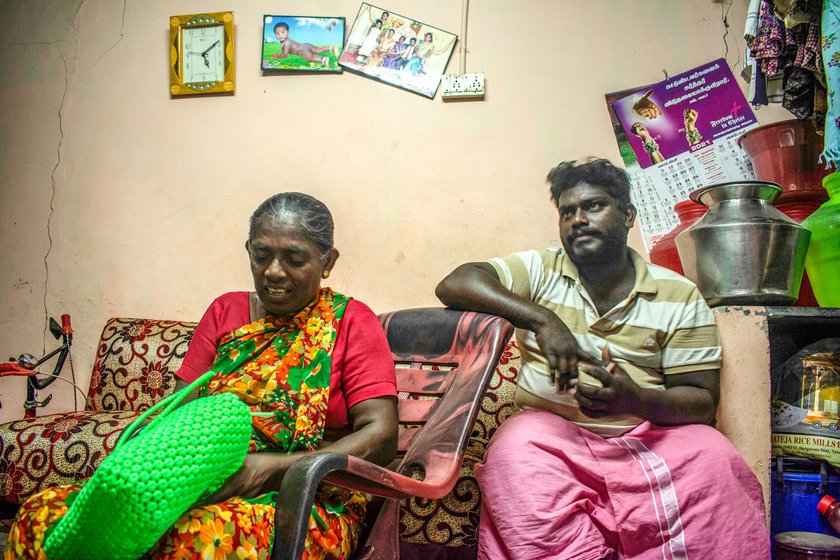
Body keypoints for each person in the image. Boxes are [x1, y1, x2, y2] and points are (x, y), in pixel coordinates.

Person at [6, 192, 399, 560]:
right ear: (248, 251)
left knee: (190, 542)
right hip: (199, 484)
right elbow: (177, 416)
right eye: (262, 255)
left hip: (305, 499)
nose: (274, 272)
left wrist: (271, 470)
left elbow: (380, 437)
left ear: (327, 261)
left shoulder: (351, 321)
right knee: (40, 518)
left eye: (294, 259)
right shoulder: (224, 312)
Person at [435, 158, 769, 560]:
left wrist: (633, 399)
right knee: (512, 453)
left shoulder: (678, 294)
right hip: (550, 436)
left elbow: (701, 401)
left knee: (715, 457)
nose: (577, 219)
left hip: (651, 434)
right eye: (567, 212)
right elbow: (455, 283)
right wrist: (544, 320)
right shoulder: (541, 269)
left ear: (627, 215)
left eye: (593, 206)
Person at [271, 22, 338, 68]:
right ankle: (332, 48)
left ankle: (323, 59)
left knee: (310, 58)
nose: (280, 35)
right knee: (318, 50)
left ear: (288, 32)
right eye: (277, 33)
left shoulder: (286, 42)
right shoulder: (285, 41)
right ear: (275, 34)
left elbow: (284, 54)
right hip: (305, 45)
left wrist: (277, 56)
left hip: (302, 50)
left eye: (282, 32)